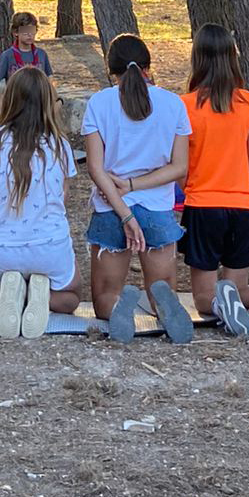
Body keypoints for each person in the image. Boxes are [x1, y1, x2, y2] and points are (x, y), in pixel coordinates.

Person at [81, 33, 193, 343]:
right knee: (163, 289)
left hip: (111, 211)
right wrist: (136, 185)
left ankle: (120, 307)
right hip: (157, 210)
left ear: (110, 69)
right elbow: (178, 167)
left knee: (104, 296)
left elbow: (95, 168)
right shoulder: (173, 103)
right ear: (148, 66)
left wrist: (125, 211)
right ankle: (162, 305)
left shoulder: (99, 103)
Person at [179, 24, 249, 337]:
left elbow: (181, 161)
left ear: (197, 58)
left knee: (203, 299)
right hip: (240, 205)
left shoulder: (186, 105)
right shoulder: (248, 102)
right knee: (237, 288)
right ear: (232, 57)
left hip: (202, 205)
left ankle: (219, 308)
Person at [0, 65, 82, 338]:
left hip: (1, 248)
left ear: (9, 101)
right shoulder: (59, 145)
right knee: (72, 297)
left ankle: (12, 294)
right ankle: (39, 297)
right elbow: (62, 199)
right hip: (49, 246)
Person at [0, 12, 51, 103]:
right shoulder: (7, 56)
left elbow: (49, 80)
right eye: (25, 31)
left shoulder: (41, 54)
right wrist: (1, 105)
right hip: (16, 105)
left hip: (38, 104)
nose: (29, 35)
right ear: (16, 32)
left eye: (32, 31)